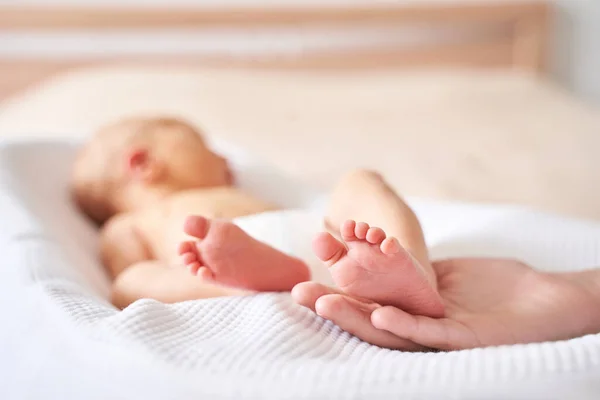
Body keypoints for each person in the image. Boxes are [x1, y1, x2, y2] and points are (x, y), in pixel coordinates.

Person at [73, 116, 600, 351]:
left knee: (359, 183)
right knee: (134, 282)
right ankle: (257, 279)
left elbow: (327, 219)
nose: (224, 157)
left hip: (325, 247)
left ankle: (409, 272)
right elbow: (125, 279)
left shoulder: (254, 197)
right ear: (142, 163)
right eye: (201, 143)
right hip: (231, 263)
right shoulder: (129, 224)